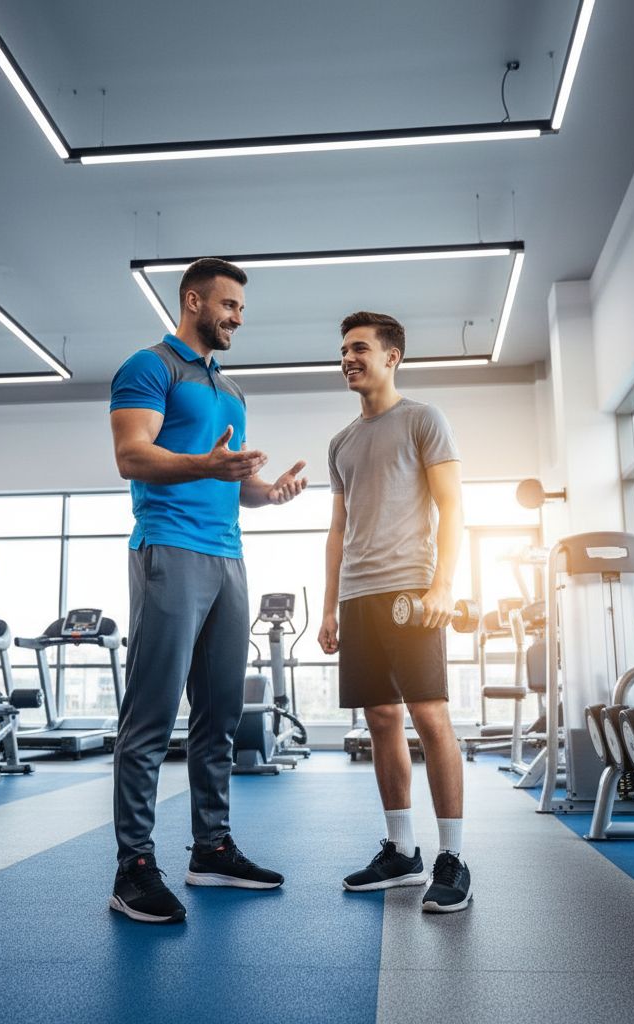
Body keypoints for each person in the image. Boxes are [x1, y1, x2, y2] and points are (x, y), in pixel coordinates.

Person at [109, 257, 308, 924]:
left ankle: (211, 848)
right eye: (227, 305)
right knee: (152, 716)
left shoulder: (233, 392)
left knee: (221, 715)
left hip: (229, 558)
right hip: (169, 549)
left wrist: (269, 491)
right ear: (193, 301)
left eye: (241, 309)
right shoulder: (149, 367)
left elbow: (234, 482)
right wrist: (205, 463)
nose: (237, 318)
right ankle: (133, 866)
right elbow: (132, 456)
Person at [318, 310, 471, 914]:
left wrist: (443, 585)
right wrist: (329, 606)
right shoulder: (341, 442)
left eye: (360, 349)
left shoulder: (423, 419)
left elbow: (452, 506)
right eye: (344, 351)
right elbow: (337, 529)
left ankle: (452, 857)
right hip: (358, 597)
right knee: (380, 718)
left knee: (430, 718)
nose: (349, 359)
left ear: (392, 357)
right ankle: (402, 852)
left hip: (411, 590)